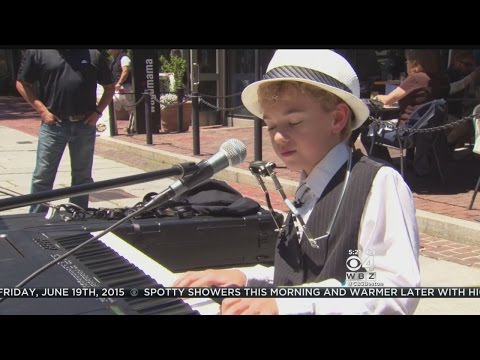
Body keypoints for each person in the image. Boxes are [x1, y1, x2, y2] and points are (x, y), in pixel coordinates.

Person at [174, 49, 420, 315]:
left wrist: (287, 304)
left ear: (337, 119)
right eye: (271, 125)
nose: (279, 137)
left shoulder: (377, 183)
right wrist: (248, 279)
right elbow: (301, 275)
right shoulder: (310, 186)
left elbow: (391, 289)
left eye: (294, 121)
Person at [16, 49, 114, 213]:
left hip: (84, 125)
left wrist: (98, 113)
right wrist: (42, 111)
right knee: (43, 175)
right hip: (54, 125)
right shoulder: (39, 53)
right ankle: (36, 217)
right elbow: (22, 83)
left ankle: (77, 213)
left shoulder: (93, 55)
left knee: (82, 176)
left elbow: (110, 87)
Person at [361, 49, 450, 176]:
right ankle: (402, 164)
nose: (406, 63)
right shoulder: (435, 79)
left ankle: (387, 169)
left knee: (366, 133)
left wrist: (375, 97)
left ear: (414, 62)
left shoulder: (415, 78)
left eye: (407, 60)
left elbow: (388, 99)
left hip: (405, 133)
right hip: (422, 131)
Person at [107, 49, 136, 134]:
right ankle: (111, 129)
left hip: (125, 87)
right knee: (111, 105)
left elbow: (125, 71)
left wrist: (119, 83)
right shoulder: (114, 59)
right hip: (117, 87)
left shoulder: (124, 58)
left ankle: (132, 128)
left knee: (131, 107)